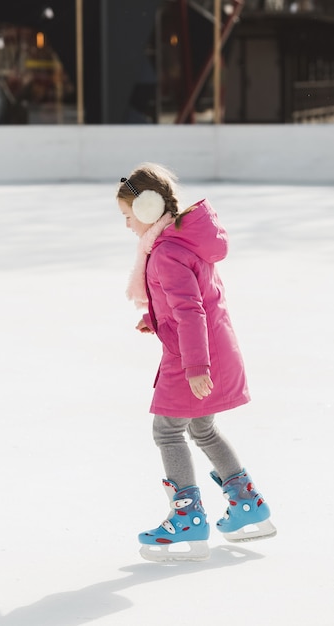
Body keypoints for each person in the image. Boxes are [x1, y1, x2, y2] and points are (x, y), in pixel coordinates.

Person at [117, 163, 276, 562]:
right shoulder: (182, 242)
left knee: (168, 431)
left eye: (127, 217)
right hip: (214, 349)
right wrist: (153, 318)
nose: (126, 226)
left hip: (194, 356)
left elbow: (191, 312)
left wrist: (195, 368)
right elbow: (187, 302)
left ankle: (187, 518)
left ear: (149, 209)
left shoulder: (167, 251)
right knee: (202, 429)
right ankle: (247, 506)